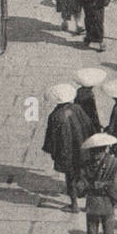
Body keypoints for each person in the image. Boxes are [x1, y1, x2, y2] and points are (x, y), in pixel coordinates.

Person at [42, 83, 97, 212]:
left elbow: (52, 138)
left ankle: (74, 205)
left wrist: (52, 151)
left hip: (67, 153)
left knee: (70, 178)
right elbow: (89, 125)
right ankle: (89, 204)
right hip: (83, 150)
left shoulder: (55, 116)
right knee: (86, 175)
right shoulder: (77, 108)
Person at [77, 133, 117, 234]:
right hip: (92, 204)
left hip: (107, 204)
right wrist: (83, 187)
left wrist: (102, 185)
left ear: (105, 150)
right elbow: (81, 183)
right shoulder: (86, 164)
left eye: (99, 151)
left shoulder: (113, 164)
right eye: (94, 152)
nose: (96, 155)